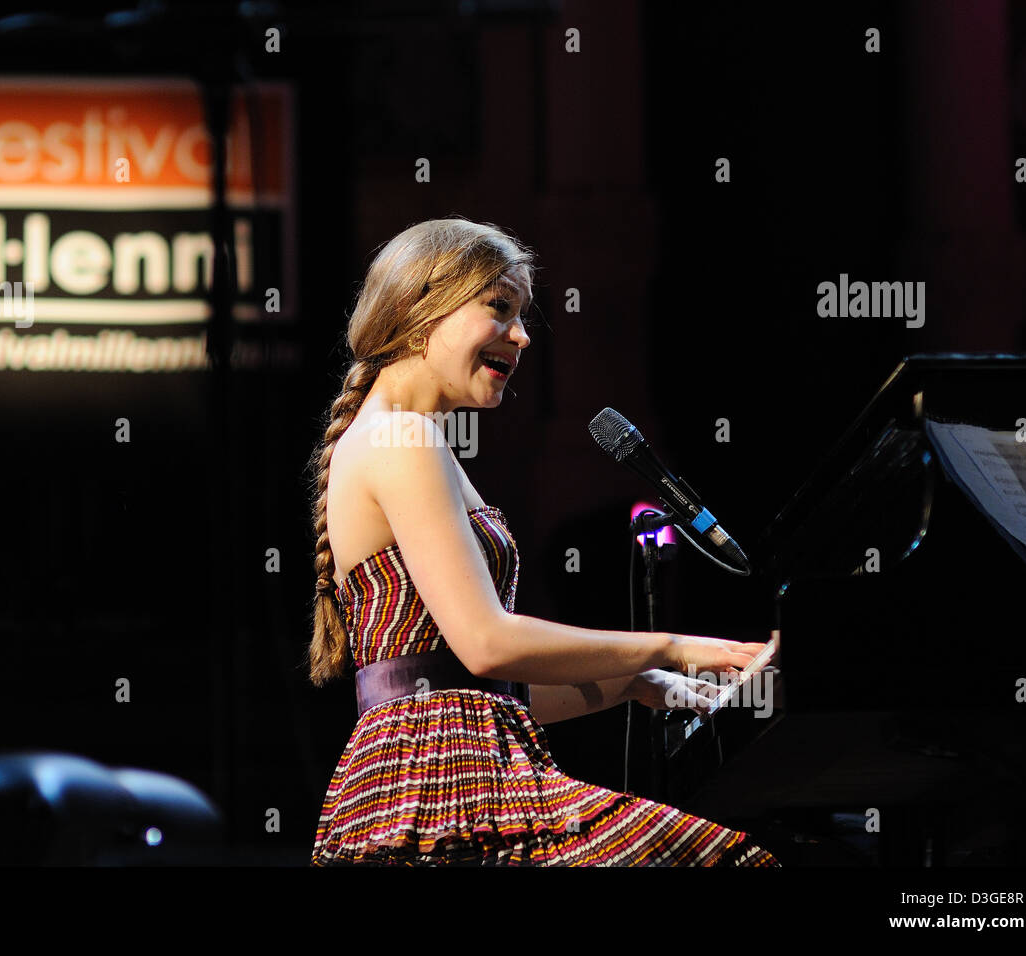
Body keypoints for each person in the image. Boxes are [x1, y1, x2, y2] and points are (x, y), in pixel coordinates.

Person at [306, 217, 779, 866]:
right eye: (499, 308)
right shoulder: (402, 438)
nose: (523, 336)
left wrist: (638, 681)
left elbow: (462, 690)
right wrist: (673, 645)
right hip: (443, 794)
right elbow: (486, 644)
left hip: (429, 783)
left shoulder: (404, 437)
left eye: (523, 314)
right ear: (421, 309)